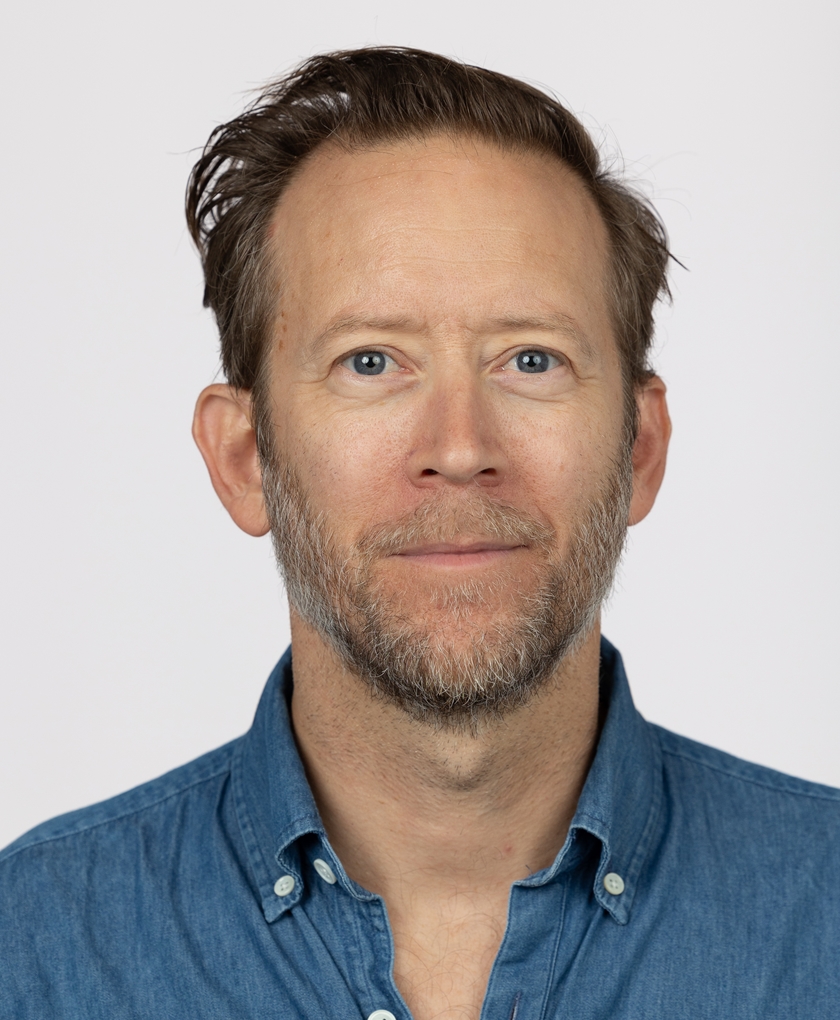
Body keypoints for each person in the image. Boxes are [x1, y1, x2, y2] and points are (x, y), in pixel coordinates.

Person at [1, 46, 838, 1020]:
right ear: (243, 458)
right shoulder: (35, 946)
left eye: (531, 359)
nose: (460, 447)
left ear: (640, 447)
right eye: (370, 362)